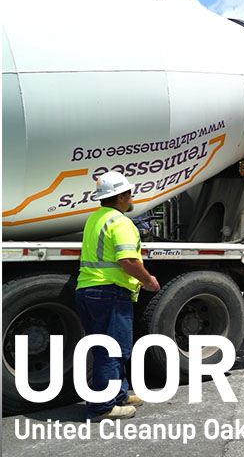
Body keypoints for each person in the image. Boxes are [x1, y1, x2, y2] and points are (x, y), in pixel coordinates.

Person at [76, 171, 160, 421]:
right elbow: (128, 261)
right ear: (121, 196)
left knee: (107, 348)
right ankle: (102, 407)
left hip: (88, 290)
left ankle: (118, 395)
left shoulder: (95, 218)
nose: (132, 197)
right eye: (129, 193)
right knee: (113, 350)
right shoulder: (120, 222)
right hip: (109, 292)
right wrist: (148, 281)